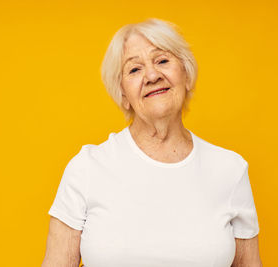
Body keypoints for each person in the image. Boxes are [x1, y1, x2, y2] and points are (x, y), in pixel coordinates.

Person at [42, 18, 262, 267]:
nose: (152, 75)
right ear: (123, 94)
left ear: (187, 75)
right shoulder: (87, 168)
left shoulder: (230, 169)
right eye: (134, 69)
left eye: (162, 61)